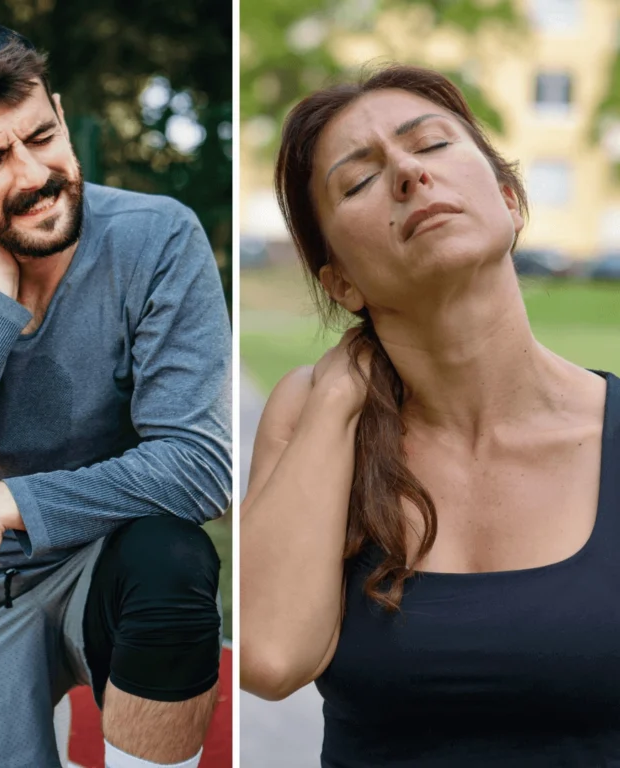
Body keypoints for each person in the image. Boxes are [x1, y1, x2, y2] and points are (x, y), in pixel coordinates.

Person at [0, 23, 231, 768]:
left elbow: (199, 467)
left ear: (58, 112)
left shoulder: (159, 239)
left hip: (113, 558)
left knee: (172, 561)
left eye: (42, 137)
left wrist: (4, 503)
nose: (35, 174)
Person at [240, 62, 620, 766]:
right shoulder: (315, 418)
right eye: (358, 181)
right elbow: (269, 657)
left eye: (432, 145)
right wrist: (338, 395)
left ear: (509, 199)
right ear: (340, 280)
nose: (408, 174)